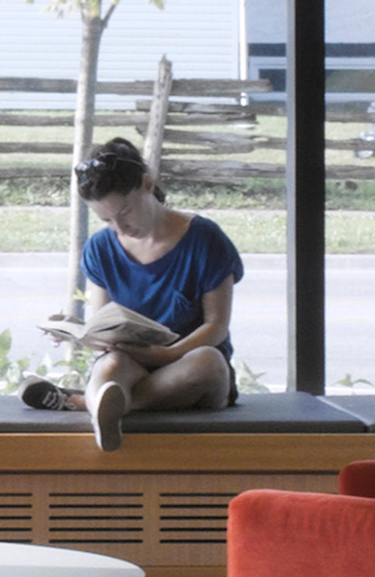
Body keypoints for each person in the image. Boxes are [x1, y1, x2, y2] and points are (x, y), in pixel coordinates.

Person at [44, 138, 245, 441]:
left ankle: (97, 404)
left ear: (147, 184)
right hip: (133, 365)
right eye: (107, 220)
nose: (120, 228)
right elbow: (105, 327)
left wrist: (166, 354)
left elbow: (216, 326)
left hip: (188, 366)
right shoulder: (100, 248)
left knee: (210, 362)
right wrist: (76, 330)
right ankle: (106, 407)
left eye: (125, 213)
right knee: (111, 364)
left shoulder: (205, 239)